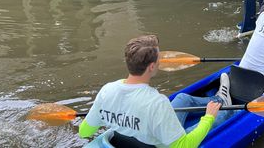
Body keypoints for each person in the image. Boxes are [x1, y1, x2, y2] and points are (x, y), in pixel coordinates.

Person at [79, 35, 222, 148]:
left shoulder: (106, 90)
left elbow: (84, 132)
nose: (161, 61)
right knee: (223, 113)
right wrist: (208, 117)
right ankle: (223, 104)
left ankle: (219, 99)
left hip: (124, 141)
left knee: (182, 97)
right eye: (159, 58)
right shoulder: (157, 102)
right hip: (161, 145)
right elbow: (183, 146)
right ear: (152, 67)